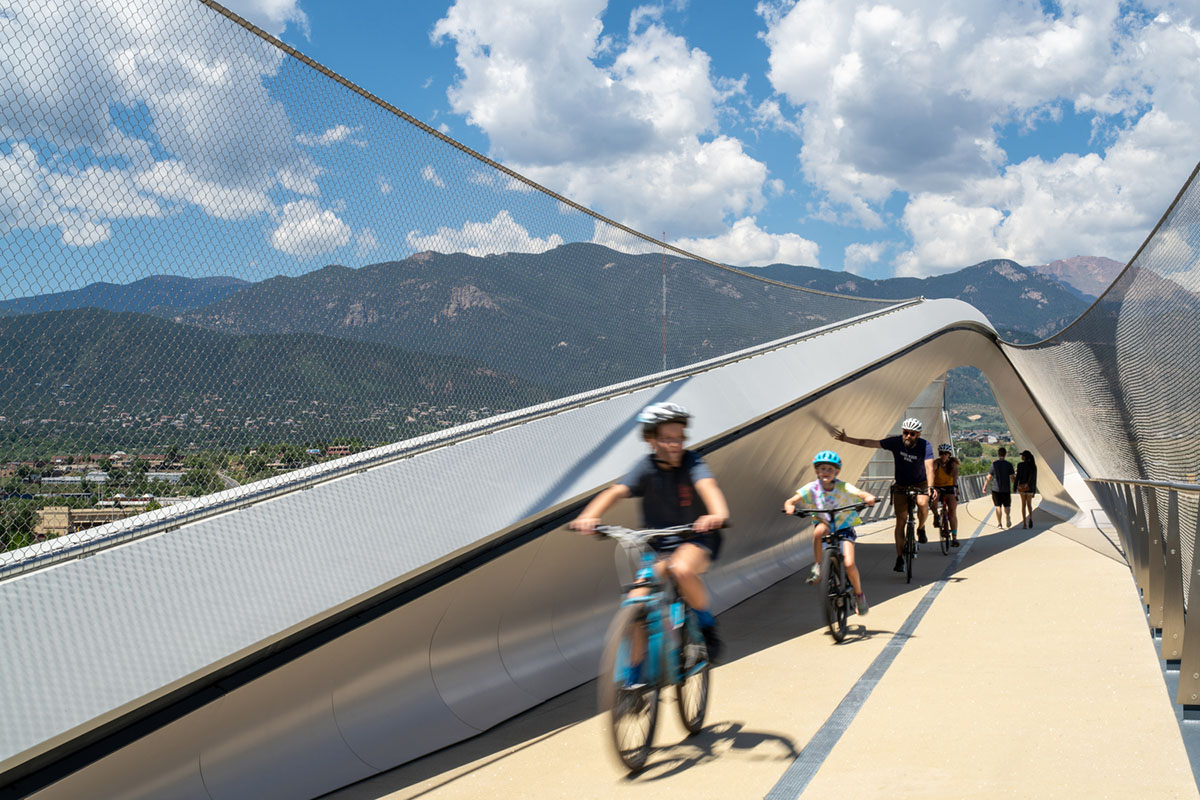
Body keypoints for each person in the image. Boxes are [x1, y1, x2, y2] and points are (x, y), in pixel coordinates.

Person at [571, 401, 730, 663]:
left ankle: (706, 625)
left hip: (697, 538)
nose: (675, 444)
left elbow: (708, 486)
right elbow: (616, 491)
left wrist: (717, 514)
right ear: (651, 440)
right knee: (635, 604)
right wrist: (589, 516)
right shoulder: (645, 467)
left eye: (679, 438)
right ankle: (631, 685)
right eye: (667, 438)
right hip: (659, 545)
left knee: (681, 569)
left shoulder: (692, 462)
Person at [783, 450, 877, 615]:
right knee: (818, 532)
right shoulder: (812, 488)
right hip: (825, 523)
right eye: (822, 469)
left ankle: (859, 595)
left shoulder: (842, 486)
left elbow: (859, 493)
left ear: (837, 472)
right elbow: (792, 500)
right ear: (817, 471)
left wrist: (868, 497)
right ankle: (818, 567)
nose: (826, 472)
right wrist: (790, 506)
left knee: (849, 564)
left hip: (844, 526)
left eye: (830, 469)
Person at [835, 417, 934, 573]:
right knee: (900, 521)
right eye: (905, 433)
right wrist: (846, 439)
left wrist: (931, 487)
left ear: (918, 435)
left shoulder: (925, 446)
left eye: (912, 434)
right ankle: (900, 557)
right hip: (901, 484)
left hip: (920, 483)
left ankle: (920, 528)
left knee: (923, 503)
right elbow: (870, 443)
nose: (908, 436)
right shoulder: (895, 442)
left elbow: (929, 467)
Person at [932, 443, 961, 546]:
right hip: (938, 487)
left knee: (952, 512)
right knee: (933, 501)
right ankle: (936, 515)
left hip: (949, 488)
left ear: (949, 455)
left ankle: (954, 537)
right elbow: (931, 471)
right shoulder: (937, 463)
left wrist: (956, 489)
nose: (943, 456)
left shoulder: (952, 464)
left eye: (945, 454)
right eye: (941, 453)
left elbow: (955, 478)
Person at [982, 446, 1015, 528]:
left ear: (998, 454)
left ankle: (999, 524)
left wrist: (985, 486)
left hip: (996, 489)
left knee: (998, 506)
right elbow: (1012, 477)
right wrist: (1015, 487)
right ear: (1005, 454)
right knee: (1007, 505)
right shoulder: (1009, 465)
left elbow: (989, 477)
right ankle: (1007, 516)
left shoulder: (994, 464)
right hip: (1006, 489)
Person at [1016, 450, 1038, 528]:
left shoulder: (1020, 465)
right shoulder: (1033, 466)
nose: (1021, 457)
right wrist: (1034, 491)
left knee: (1023, 505)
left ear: (1024, 457)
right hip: (1030, 488)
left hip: (1022, 487)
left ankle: (1024, 524)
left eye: (1022, 455)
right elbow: (1035, 479)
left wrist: (1015, 487)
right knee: (1029, 505)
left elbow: (1017, 477)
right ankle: (1030, 518)